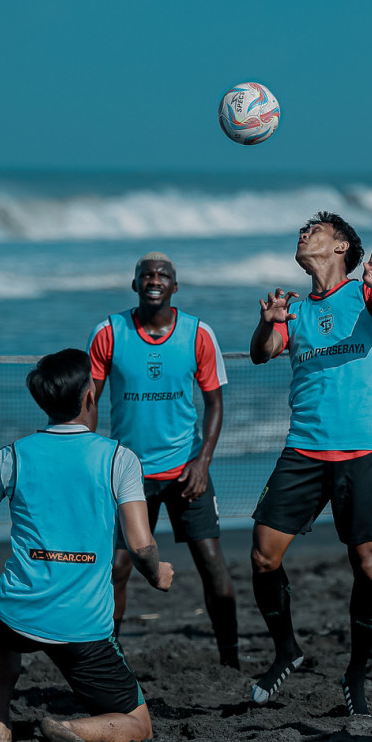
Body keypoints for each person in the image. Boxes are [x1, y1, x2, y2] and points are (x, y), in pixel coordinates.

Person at [0, 349, 174, 742]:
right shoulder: (119, 459)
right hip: (82, 626)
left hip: (17, 614)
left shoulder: (10, 457)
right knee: (139, 724)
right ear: (90, 395)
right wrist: (158, 574)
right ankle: (67, 727)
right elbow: (141, 547)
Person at [248, 211, 372, 717]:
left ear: (341, 247)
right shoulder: (294, 309)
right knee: (263, 554)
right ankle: (286, 651)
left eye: (314, 230)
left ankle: (356, 671)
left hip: (362, 448)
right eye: (302, 229)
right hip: (304, 446)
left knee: (368, 563)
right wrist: (268, 322)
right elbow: (262, 353)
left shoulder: (368, 291)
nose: (303, 234)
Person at [88, 252, 238, 667]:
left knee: (211, 564)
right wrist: (91, 457)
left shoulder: (198, 333)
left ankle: (231, 660)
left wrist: (202, 462)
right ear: (134, 284)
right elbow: (89, 403)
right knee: (117, 568)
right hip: (128, 475)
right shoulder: (108, 332)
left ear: (175, 285)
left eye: (163, 275)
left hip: (186, 471)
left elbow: (215, 404)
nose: (154, 280)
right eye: (146, 274)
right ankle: (109, 660)